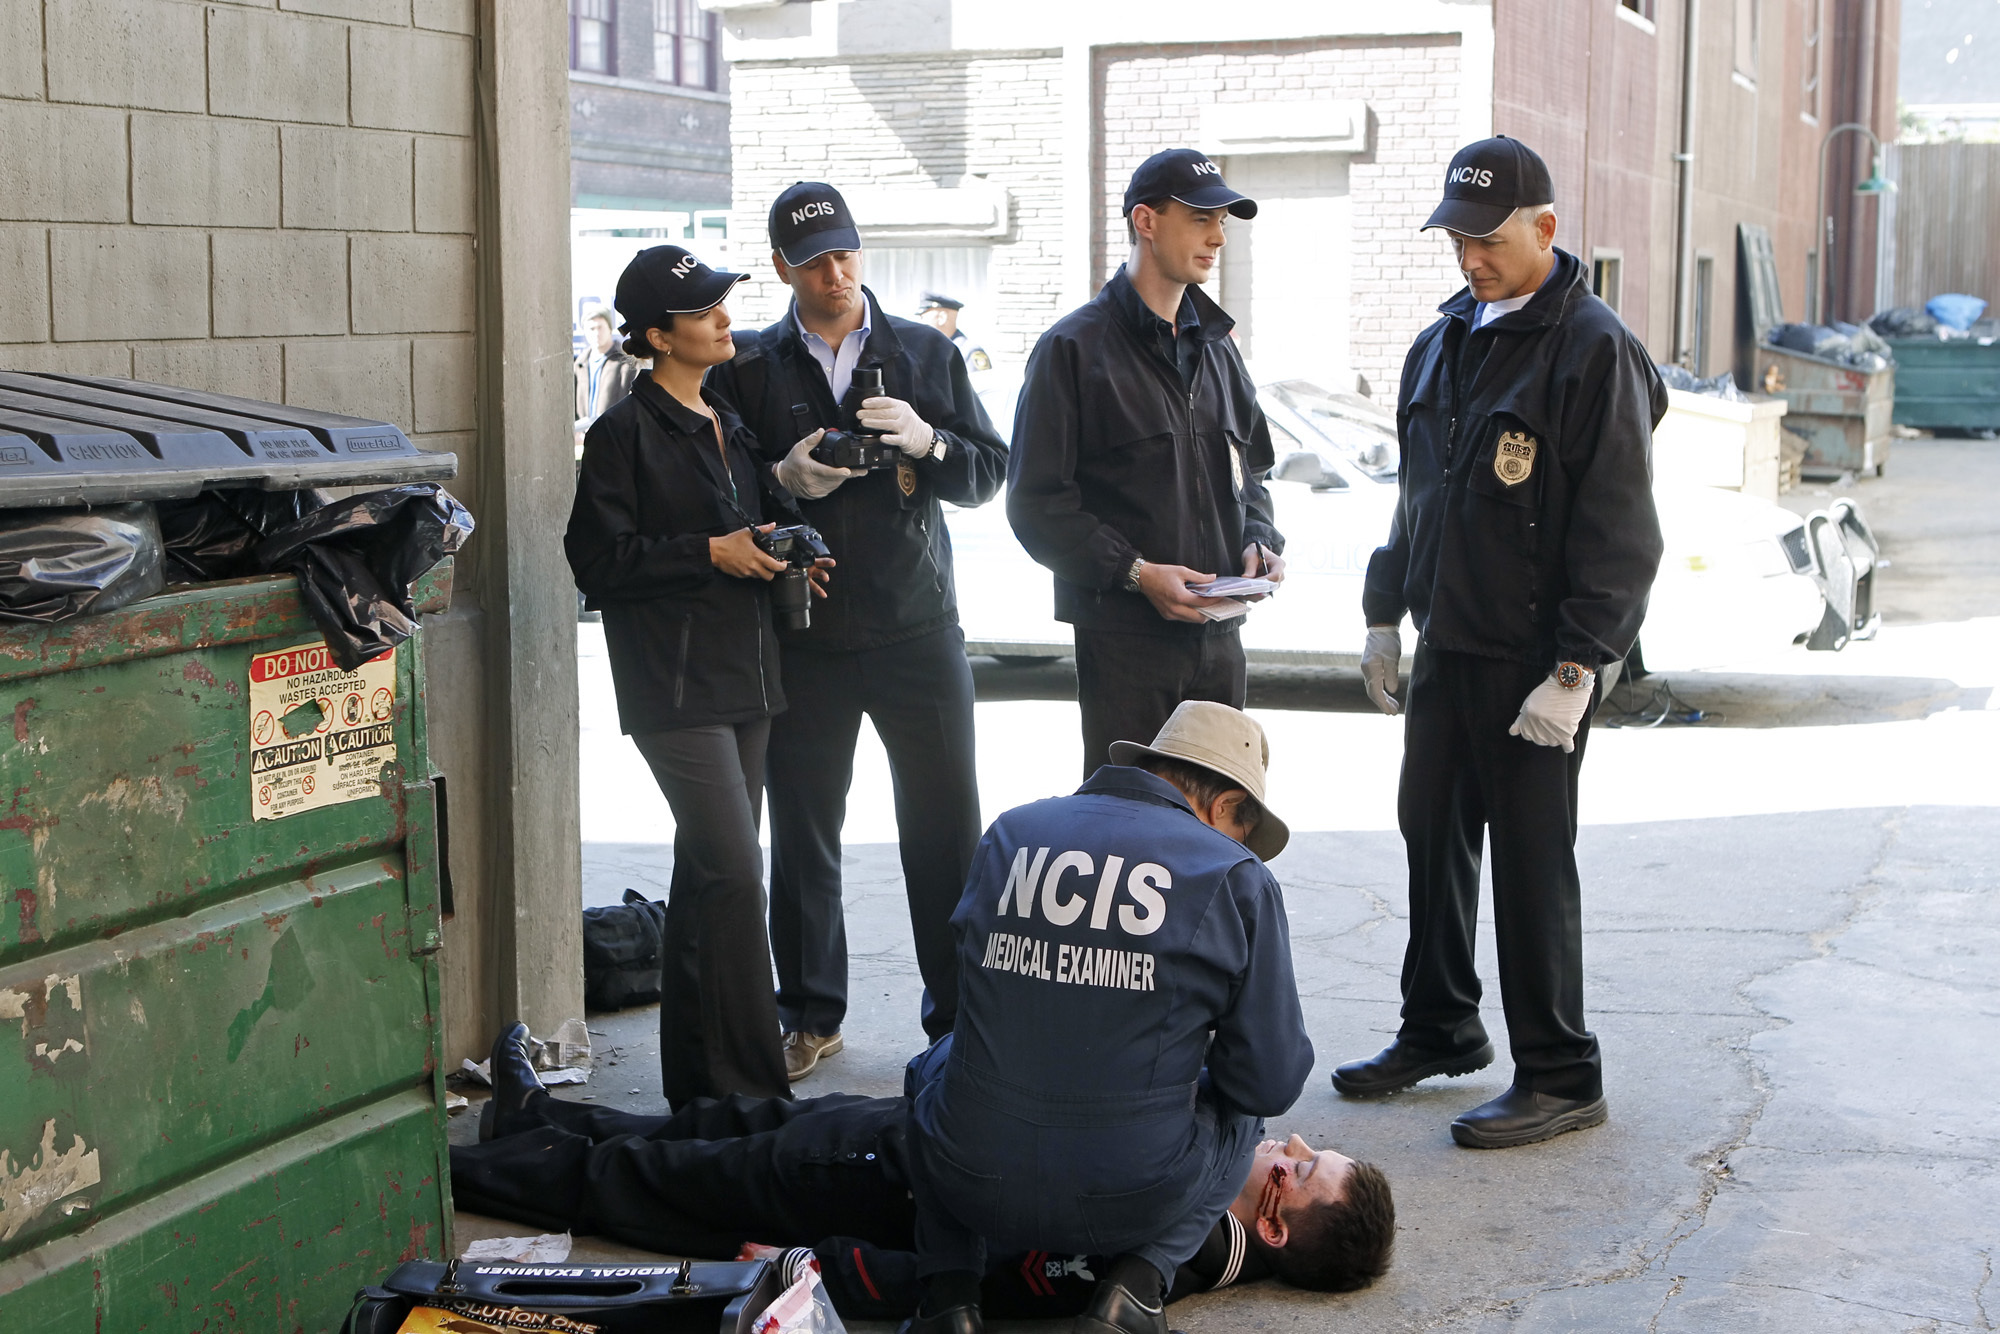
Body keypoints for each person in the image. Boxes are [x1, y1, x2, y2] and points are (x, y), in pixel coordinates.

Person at [1336, 136, 1665, 1149]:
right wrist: (1382, 614)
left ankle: (1560, 1070)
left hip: (1535, 662)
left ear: (1544, 228)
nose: (1469, 258)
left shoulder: (1589, 347)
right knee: (1430, 837)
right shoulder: (1442, 342)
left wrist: (1577, 668)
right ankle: (1439, 1025)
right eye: (1456, 239)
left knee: (1528, 861)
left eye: (1486, 238)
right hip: (1447, 646)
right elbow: (1415, 498)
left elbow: (1619, 532)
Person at [451, 1026, 1394, 1322]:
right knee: (724, 1125)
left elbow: (995, 1276)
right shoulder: (1212, 1174)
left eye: (1303, 1169)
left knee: (653, 1182)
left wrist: (812, 1265)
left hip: (876, 1185)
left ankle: (462, 1170)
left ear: (1271, 1223)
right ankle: (535, 1117)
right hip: (899, 1132)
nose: (1291, 1146)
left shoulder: (1162, 1253)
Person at [705, 182, 1008, 1080]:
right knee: (804, 834)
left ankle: (958, 1022)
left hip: (920, 628)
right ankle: (809, 1012)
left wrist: (928, 443)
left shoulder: (922, 352)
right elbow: (723, 491)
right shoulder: (750, 367)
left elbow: (990, 472)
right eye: (814, 262)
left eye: (846, 254)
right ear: (781, 268)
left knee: (947, 829)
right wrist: (785, 477)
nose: (835, 275)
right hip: (806, 634)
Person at [903, 701, 1315, 1334]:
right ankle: (1139, 1289)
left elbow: (954, 1006)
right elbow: (1269, 1079)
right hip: (1133, 1201)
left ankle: (949, 1291)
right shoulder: (1234, 874)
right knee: (1243, 1108)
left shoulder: (1012, 833)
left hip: (969, 1175)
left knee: (932, 1064)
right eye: (1243, 829)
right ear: (1227, 806)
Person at [565, 245, 831, 1111]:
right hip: (675, 689)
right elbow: (597, 561)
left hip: (748, 675)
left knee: (707, 878)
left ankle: (699, 1092)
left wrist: (792, 551)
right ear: (655, 336)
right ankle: (754, 1096)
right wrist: (708, 553)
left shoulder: (727, 420)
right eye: (704, 310)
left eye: (723, 304)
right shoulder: (622, 435)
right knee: (734, 870)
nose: (724, 319)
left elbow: (756, 522)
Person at [1007, 149, 1287, 775]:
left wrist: (1260, 540)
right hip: (1126, 644)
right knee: (1130, 831)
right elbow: (1036, 506)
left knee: (1215, 825)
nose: (1218, 236)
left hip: (1221, 639)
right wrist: (1135, 573)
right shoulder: (1072, 350)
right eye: (1200, 219)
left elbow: (1254, 472)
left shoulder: (1219, 351)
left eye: (1223, 221)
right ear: (1146, 220)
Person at [575, 304, 640, 449]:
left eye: (600, 327)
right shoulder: (580, 364)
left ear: (609, 328)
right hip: (586, 439)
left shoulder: (626, 362)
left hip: (617, 440)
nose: (596, 333)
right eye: (592, 328)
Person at [915, 292, 991, 373]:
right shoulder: (932, 350)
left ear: (942, 318)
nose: (920, 323)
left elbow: (981, 384)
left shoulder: (969, 351)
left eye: (923, 318)